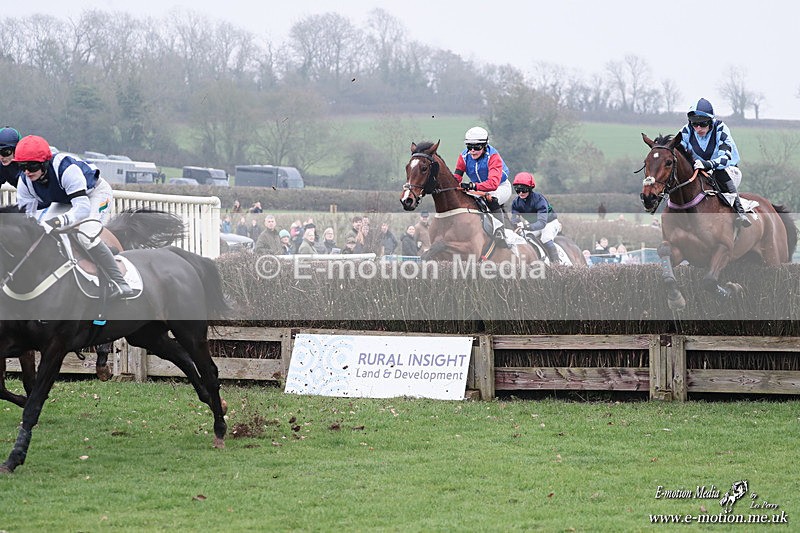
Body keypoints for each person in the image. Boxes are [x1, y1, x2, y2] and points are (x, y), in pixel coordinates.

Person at [13, 134, 134, 298]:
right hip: (65, 200)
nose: (27, 171)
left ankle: (120, 282)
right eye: (22, 166)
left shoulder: (66, 169)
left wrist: (59, 220)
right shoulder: (24, 182)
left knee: (86, 234)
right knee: (44, 234)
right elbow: (27, 219)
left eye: (32, 166)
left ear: (45, 162)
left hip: (93, 195)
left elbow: (82, 208)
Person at [679, 97, 750, 227]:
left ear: (711, 121)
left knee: (718, 172)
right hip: (700, 171)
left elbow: (726, 157)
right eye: (695, 124)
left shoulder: (720, 128)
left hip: (728, 170)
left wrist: (708, 164)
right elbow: (676, 151)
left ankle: (740, 212)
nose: (698, 128)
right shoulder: (686, 130)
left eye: (703, 124)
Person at [453, 126, 513, 240]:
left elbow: (493, 184)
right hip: (478, 188)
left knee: (491, 198)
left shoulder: (493, 157)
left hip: (499, 187)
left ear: (485, 146)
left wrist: (472, 185)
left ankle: (500, 231)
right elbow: (456, 178)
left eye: (476, 147)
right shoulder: (464, 156)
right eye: (469, 147)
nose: (472, 151)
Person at [510, 172, 562, 264]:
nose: (521, 193)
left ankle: (557, 265)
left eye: (524, 190)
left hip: (549, 223)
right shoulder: (516, 202)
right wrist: (516, 223)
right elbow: (515, 218)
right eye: (518, 190)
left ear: (530, 189)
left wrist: (526, 226)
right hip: (534, 225)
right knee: (522, 238)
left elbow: (542, 223)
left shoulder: (539, 199)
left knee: (545, 239)